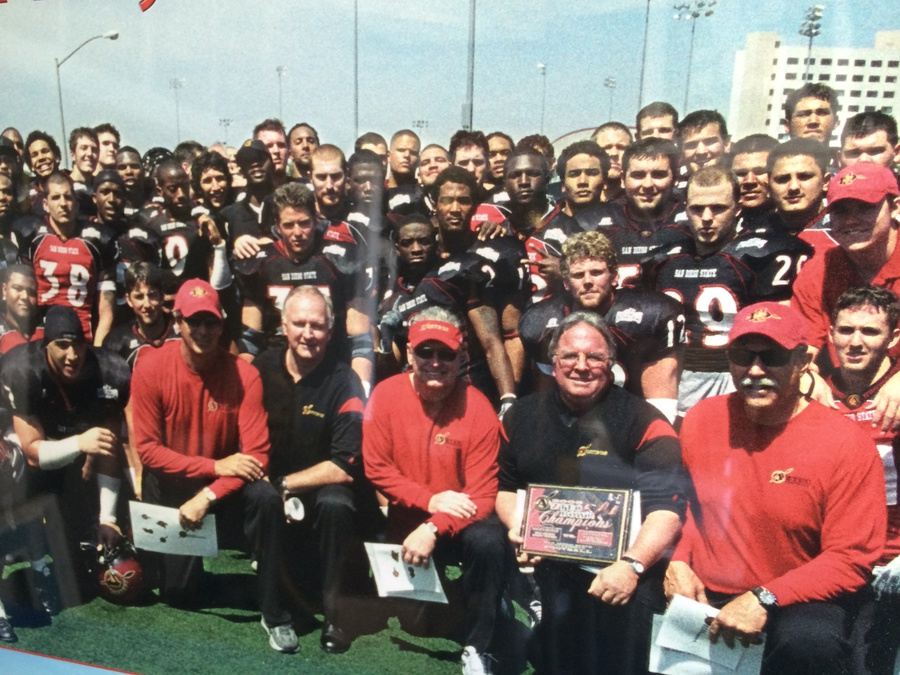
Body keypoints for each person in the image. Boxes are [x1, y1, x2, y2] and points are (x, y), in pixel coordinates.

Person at [666, 301, 885, 674]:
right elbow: (683, 504)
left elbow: (850, 558)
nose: (755, 370)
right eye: (741, 356)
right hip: (706, 588)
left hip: (795, 599)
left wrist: (765, 598)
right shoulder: (703, 418)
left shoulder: (845, 442)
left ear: (803, 360)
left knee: (810, 640)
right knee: (625, 594)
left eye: (772, 357)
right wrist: (678, 560)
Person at [497, 311, 688, 673]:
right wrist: (520, 529)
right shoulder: (519, 417)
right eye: (570, 355)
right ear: (553, 363)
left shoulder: (645, 421)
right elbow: (507, 490)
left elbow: (667, 511)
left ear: (611, 364)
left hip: (625, 568)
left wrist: (631, 566)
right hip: (553, 561)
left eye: (595, 357)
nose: (581, 366)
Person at [130, 279, 297, 653]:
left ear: (222, 323)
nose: (204, 331)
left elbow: (256, 456)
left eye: (212, 322)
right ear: (177, 321)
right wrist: (214, 466)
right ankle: (248, 585)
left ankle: (275, 610)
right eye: (195, 322)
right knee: (177, 593)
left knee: (266, 497)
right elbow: (148, 452)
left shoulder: (244, 373)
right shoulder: (150, 366)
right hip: (175, 483)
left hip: (222, 489)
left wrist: (209, 492)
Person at [363, 307, 509, 674]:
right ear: (409, 354)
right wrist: (427, 500)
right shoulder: (384, 394)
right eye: (425, 352)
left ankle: (480, 644)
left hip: (455, 526)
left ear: (461, 358)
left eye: (445, 354)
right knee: (417, 623)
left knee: (489, 540)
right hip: (403, 523)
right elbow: (376, 468)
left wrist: (434, 525)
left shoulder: (479, 408)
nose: (435, 362)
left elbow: (482, 496)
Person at [254, 285, 370, 654]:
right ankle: (274, 613)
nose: (308, 334)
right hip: (269, 483)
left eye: (317, 326)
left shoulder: (345, 381)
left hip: (320, 483)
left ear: (331, 331)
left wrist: (286, 484)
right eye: (299, 324)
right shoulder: (260, 368)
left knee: (336, 503)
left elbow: (344, 465)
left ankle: (335, 613)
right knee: (260, 496)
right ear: (283, 326)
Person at [1, 306, 130, 604]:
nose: (73, 355)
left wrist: (108, 517)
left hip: (74, 454)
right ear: (46, 346)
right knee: (11, 463)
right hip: (21, 453)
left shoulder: (109, 371)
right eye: (62, 345)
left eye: (78, 345)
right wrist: (79, 443)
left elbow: (107, 448)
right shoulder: (21, 368)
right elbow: (33, 452)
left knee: (77, 582)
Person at [519, 230, 685, 422]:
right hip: (575, 420)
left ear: (614, 277)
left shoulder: (652, 313)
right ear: (565, 282)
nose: (588, 281)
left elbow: (660, 404)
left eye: (596, 272)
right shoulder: (540, 320)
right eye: (578, 275)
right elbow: (548, 401)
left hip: (634, 419)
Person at [823, 286, 900, 674]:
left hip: (893, 560)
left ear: (894, 338)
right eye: (846, 330)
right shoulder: (812, 391)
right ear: (830, 334)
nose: (855, 342)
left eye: (870, 332)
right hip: (836, 561)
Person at [17, 172, 117, 344]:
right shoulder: (31, 235)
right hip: (41, 336)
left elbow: (106, 305)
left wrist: (98, 347)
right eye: (56, 198)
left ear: (77, 204)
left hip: (83, 336)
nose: (63, 204)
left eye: (68, 197)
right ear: (46, 205)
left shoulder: (98, 239)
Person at [727, 134, 778, 230]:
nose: (749, 181)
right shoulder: (723, 230)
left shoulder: (799, 228)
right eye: (741, 173)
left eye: (760, 172)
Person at [0, 264, 43, 353]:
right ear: (4, 290)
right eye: (18, 288)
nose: (25, 296)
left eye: (31, 292)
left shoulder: (45, 333)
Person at [678, 109, 730, 176]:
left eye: (709, 141)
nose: (701, 152)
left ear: (726, 143)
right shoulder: (673, 185)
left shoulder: (742, 183)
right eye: (691, 145)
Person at [590, 122, 632, 203]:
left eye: (621, 147)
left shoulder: (637, 203)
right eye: (607, 147)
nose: (614, 153)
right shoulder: (573, 201)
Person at [253, 118, 289, 188]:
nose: (276, 151)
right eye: (269, 146)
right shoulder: (249, 195)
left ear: (288, 151)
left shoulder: (302, 190)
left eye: (281, 145)